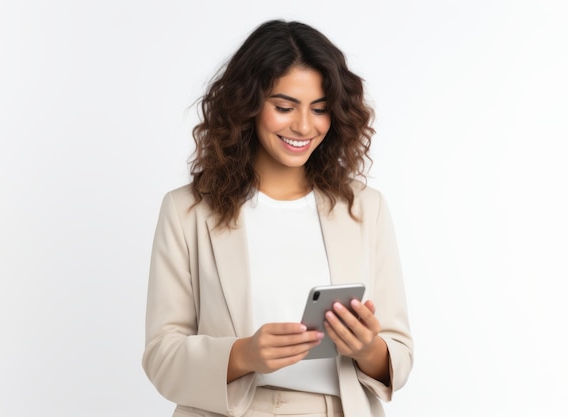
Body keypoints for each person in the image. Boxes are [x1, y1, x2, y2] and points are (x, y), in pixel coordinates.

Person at [142, 20, 413, 417]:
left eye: (319, 109)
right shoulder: (187, 211)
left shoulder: (364, 208)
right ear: (247, 105)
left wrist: (368, 349)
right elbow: (161, 356)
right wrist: (243, 354)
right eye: (284, 107)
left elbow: (399, 354)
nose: (304, 126)